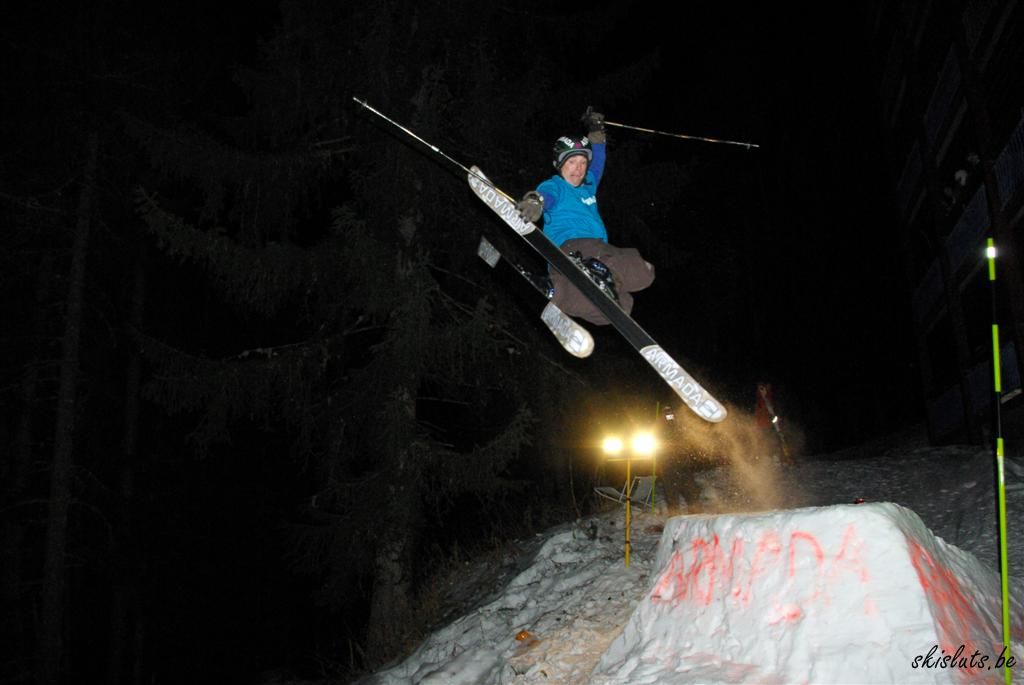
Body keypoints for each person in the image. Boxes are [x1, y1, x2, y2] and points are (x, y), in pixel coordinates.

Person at [515, 108, 655, 326]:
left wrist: (596, 130)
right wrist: (535, 202)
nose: (578, 169)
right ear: (559, 164)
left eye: (582, 163)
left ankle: (553, 289)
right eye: (572, 162)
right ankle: (597, 271)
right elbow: (544, 196)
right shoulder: (556, 186)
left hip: (575, 263)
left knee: (624, 302)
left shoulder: (588, 184)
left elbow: (598, 161)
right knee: (637, 266)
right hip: (574, 246)